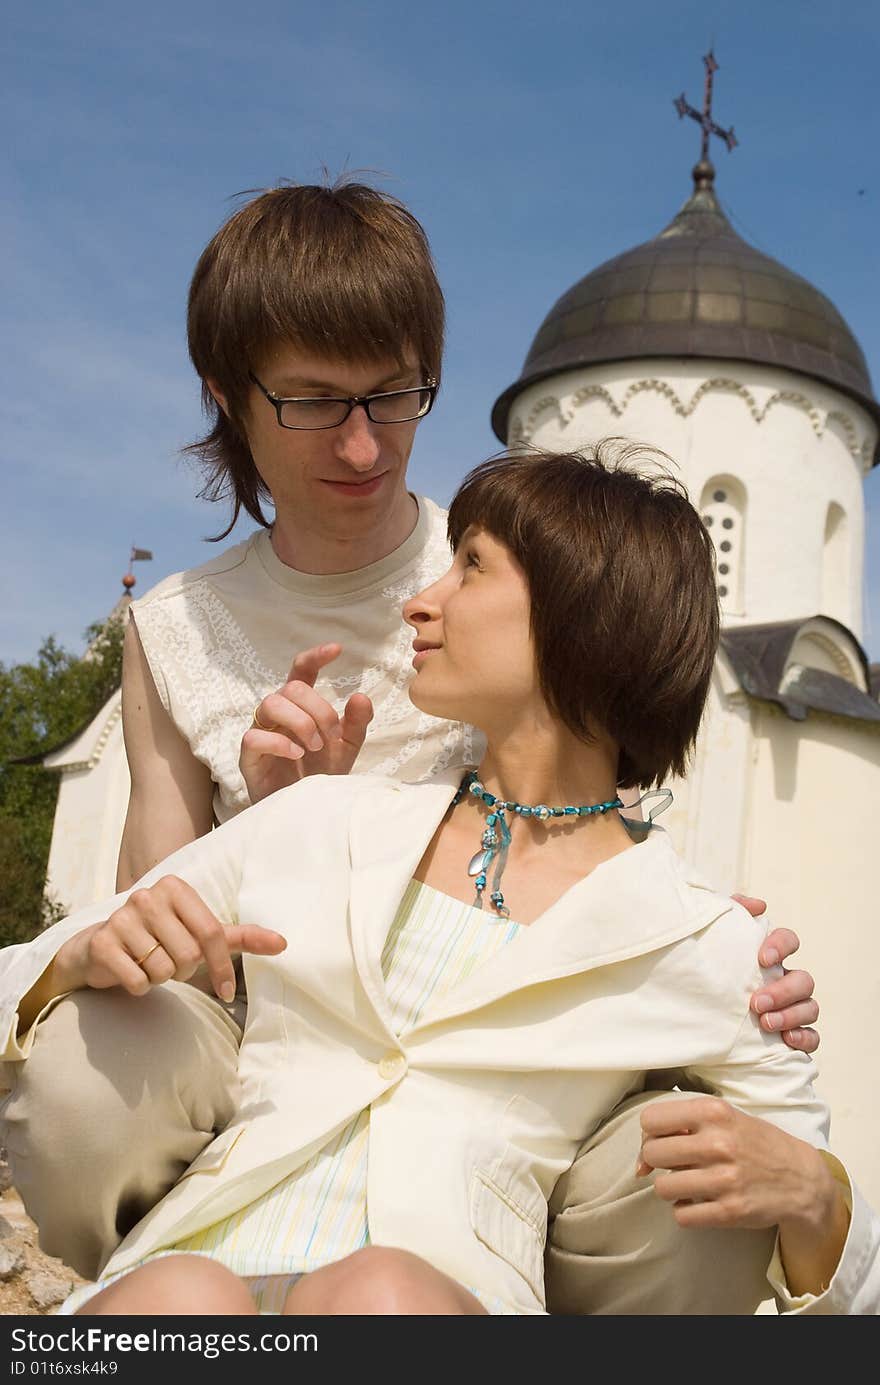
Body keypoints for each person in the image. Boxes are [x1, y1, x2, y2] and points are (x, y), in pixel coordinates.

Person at [0, 182, 819, 1311]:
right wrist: (281, 827)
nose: (362, 441)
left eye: (395, 395)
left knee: (401, 1280)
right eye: (314, 401)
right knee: (133, 1160)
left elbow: (607, 834)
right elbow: (157, 919)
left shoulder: (531, 547)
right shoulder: (178, 626)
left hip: (484, 1115)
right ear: (228, 397)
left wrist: (737, 965)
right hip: (265, 1058)